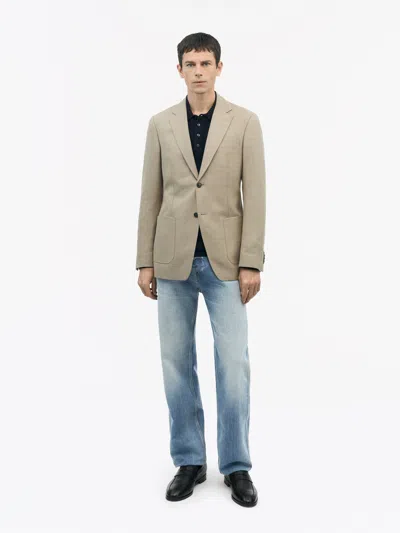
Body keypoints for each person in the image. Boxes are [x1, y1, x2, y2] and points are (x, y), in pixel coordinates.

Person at [136, 32, 266, 507]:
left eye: (205, 63)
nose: (198, 71)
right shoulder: (160, 124)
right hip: (171, 260)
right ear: (179, 70)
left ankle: (236, 465)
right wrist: (144, 260)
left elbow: (256, 195)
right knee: (176, 364)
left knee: (233, 364)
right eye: (190, 64)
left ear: (218, 68)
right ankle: (189, 461)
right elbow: (150, 195)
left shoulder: (244, 122)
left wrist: (251, 261)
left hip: (226, 262)